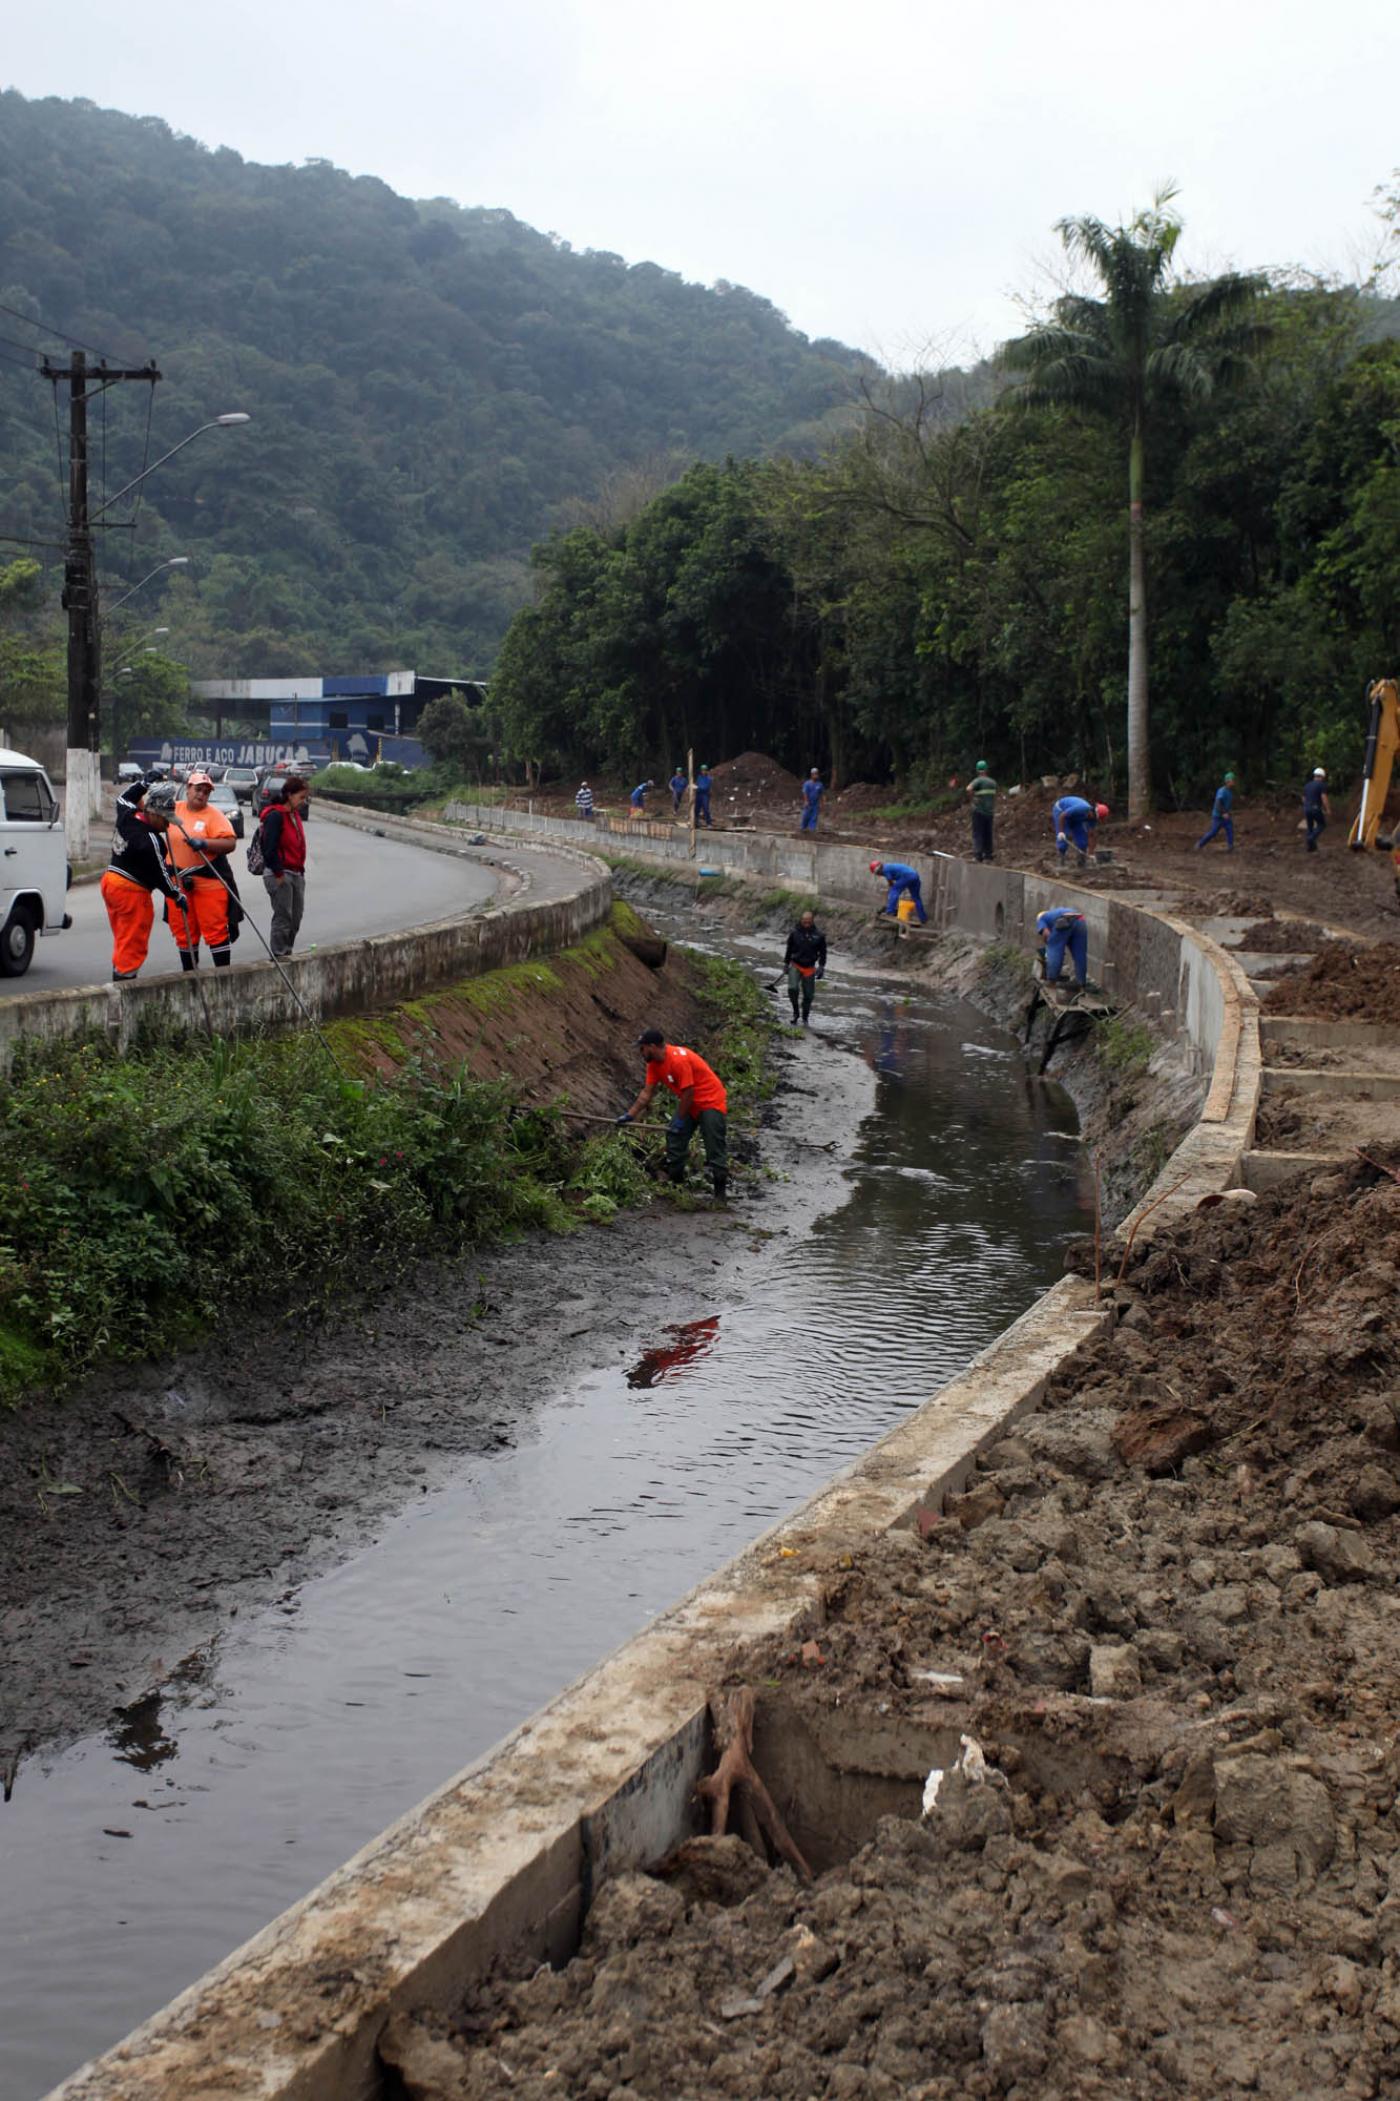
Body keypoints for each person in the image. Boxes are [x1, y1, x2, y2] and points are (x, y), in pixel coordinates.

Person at [618, 1028, 728, 1200]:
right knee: (675, 1140)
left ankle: (720, 1195)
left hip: (710, 1101)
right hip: (689, 1102)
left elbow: (689, 1092)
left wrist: (679, 1118)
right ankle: (677, 1187)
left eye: (642, 1048)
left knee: (714, 1145)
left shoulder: (678, 1060)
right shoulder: (653, 1064)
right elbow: (647, 1093)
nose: (641, 1052)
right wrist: (630, 1115)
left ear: (652, 1047)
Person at [100, 775, 188, 980]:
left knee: (123, 938)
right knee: (132, 944)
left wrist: (143, 783)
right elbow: (161, 876)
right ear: (155, 814)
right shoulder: (152, 841)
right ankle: (124, 986)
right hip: (131, 893)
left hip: (111, 883)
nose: (168, 826)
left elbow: (123, 798)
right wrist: (177, 895)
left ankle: (120, 973)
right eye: (166, 820)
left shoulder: (127, 815)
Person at [169, 767, 240, 970]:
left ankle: (223, 975)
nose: (201, 794)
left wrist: (205, 844)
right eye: (198, 789)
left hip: (208, 882)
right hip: (178, 882)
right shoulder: (174, 810)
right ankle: (190, 975)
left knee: (215, 930)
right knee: (184, 931)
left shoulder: (214, 815)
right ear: (188, 788)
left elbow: (230, 843)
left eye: (206, 792)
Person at [260, 775, 310, 957]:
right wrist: (279, 873)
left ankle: (287, 950)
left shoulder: (294, 815)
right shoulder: (275, 816)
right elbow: (269, 848)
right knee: (283, 916)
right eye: (301, 797)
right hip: (279, 873)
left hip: (296, 873)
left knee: (296, 917)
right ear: (289, 795)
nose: (303, 802)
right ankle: (279, 954)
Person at [783, 910, 827, 1026]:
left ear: (812, 921)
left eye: (808, 922)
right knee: (792, 988)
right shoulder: (794, 933)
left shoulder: (819, 935)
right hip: (796, 964)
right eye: (804, 922)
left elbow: (823, 953)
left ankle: (805, 1016)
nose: (806, 925)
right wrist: (786, 964)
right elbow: (789, 949)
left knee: (808, 995)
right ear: (801, 921)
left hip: (809, 968)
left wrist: (821, 966)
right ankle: (795, 1012)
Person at [1036, 906, 1089, 989]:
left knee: (1054, 949)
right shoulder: (1054, 914)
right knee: (1080, 953)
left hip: (1064, 920)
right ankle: (1081, 982)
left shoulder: (1041, 918)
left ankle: (1052, 980)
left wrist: (1048, 945)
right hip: (1080, 920)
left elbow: (1046, 933)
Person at [1051, 795, 1109, 866]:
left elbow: (1091, 835)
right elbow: (1062, 816)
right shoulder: (1081, 808)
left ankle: (1081, 862)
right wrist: (1061, 832)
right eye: (1092, 817)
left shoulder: (1093, 819)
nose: (1091, 819)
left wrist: (1091, 853)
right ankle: (1061, 860)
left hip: (1076, 817)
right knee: (1064, 837)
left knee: (1082, 841)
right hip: (1061, 810)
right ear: (1092, 811)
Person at [870, 859, 927, 924]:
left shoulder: (885, 869)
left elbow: (891, 882)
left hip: (907, 876)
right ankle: (923, 918)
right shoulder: (888, 867)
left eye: (877, 873)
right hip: (915, 875)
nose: (878, 875)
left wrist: (891, 891)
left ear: (877, 870)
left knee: (894, 891)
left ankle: (890, 911)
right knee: (916, 898)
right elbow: (892, 881)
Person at [1196, 772, 1237, 853]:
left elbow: (1227, 804)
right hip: (1218, 816)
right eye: (1233, 780)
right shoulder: (1222, 791)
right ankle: (1199, 844)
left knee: (1230, 829)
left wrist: (1228, 812)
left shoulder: (1230, 792)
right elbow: (1218, 803)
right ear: (1228, 781)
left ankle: (1230, 847)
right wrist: (1223, 813)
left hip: (1225, 816)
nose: (1234, 781)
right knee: (1213, 832)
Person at [965, 760, 997, 861]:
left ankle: (978, 855)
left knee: (978, 833)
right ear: (986, 769)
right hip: (989, 812)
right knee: (988, 833)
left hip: (979, 811)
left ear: (978, 770)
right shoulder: (993, 782)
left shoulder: (978, 781)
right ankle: (988, 854)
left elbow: (968, 789)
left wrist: (973, 799)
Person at [1303, 767, 1330, 852]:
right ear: (1322, 776)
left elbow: (1303, 798)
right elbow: (1324, 797)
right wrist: (1327, 809)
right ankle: (1310, 839)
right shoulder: (1321, 785)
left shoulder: (1307, 785)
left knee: (1310, 827)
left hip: (1307, 808)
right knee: (1321, 825)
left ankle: (1311, 847)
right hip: (1315, 808)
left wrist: (1307, 805)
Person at [694, 764, 714, 828]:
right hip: (698, 795)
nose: (703, 771)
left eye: (705, 770)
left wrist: (697, 788)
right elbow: (697, 784)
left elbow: (705, 787)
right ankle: (696, 822)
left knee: (706, 809)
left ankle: (709, 823)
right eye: (702, 770)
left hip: (705, 795)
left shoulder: (709, 778)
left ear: (706, 771)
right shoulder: (699, 777)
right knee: (696, 809)